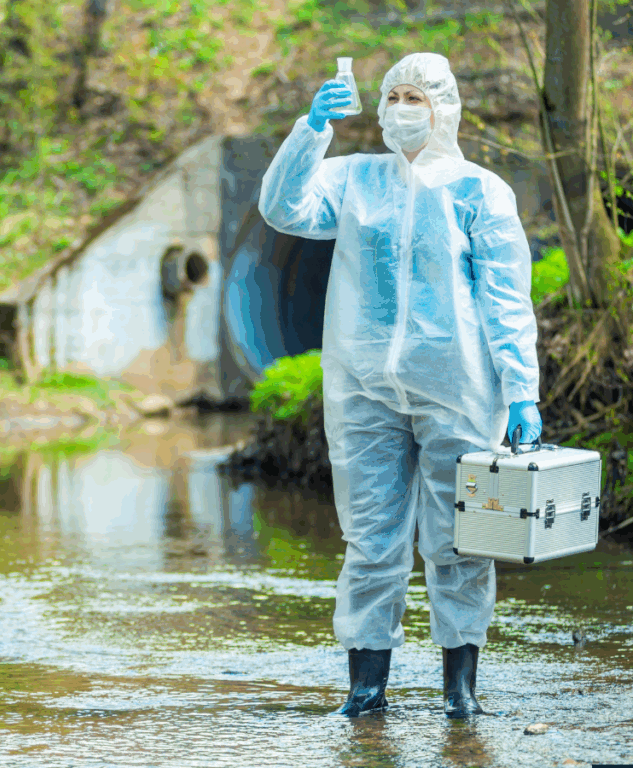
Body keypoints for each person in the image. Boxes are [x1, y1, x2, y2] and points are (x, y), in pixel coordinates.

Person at [258, 52, 542, 718]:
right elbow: (281, 209)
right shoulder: (353, 180)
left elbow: (505, 298)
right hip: (363, 387)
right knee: (371, 539)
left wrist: (521, 386)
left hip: (460, 387)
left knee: (460, 539)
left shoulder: (480, 191)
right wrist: (310, 131)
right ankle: (365, 689)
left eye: (414, 96)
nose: (399, 108)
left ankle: (460, 691)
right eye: (392, 96)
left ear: (443, 107)